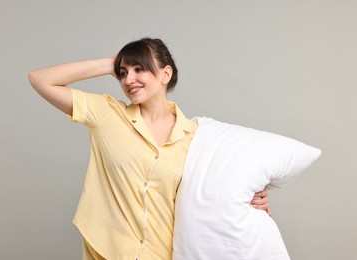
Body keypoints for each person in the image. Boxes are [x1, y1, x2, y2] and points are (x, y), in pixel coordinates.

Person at [28, 38, 269, 260]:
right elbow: (40, 79)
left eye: (139, 68)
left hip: (162, 254)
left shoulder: (195, 137)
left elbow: (212, 194)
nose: (128, 79)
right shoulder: (107, 114)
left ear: (166, 74)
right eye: (123, 73)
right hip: (108, 252)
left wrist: (252, 201)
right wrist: (109, 63)